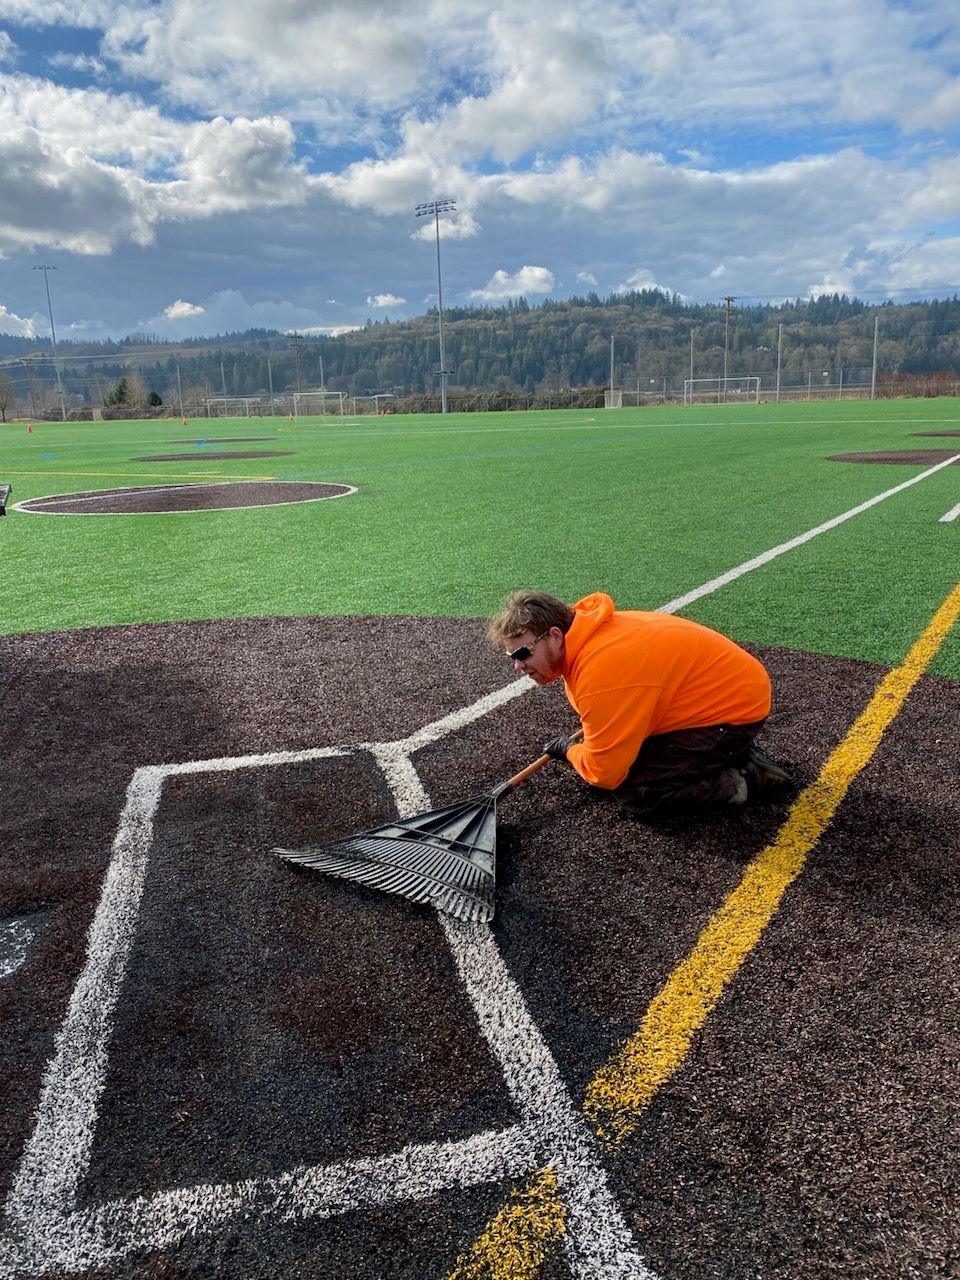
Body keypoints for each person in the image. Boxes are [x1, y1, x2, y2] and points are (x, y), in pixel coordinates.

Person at [487, 590, 792, 817]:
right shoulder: (591, 636)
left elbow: (605, 773)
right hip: (717, 697)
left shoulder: (602, 671)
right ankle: (733, 754)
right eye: (511, 657)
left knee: (636, 791)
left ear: (555, 635)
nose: (518, 666)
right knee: (625, 759)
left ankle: (741, 781)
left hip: (733, 713)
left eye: (523, 653)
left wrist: (571, 751)